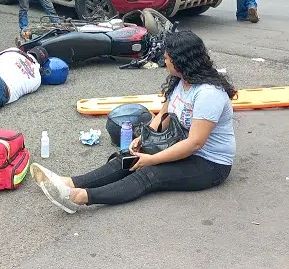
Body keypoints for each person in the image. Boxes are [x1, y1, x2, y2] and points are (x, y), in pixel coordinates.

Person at [30, 30, 235, 214]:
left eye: (168, 57)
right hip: (181, 148)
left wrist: (152, 159)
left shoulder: (209, 94)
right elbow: (163, 115)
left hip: (210, 163)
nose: (164, 60)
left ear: (182, 60)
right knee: (128, 158)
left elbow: (195, 143)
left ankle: (79, 197)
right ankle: (68, 183)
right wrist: (143, 138)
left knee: (149, 173)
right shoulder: (181, 81)